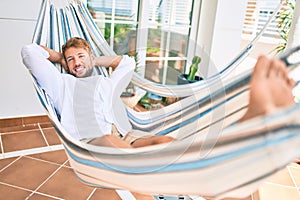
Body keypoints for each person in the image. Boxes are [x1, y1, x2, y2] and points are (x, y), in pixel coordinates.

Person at [21, 37, 295, 148]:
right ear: (64, 66)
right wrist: (59, 57)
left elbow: (126, 63)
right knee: (110, 140)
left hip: (119, 138)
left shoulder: (105, 82)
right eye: (71, 61)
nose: (76, 63)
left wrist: (94, 61)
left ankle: (233, 143)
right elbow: (29, 53)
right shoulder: (62, 84)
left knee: (164, 142)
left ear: (90, 57)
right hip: (91, 145)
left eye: (81, 57)